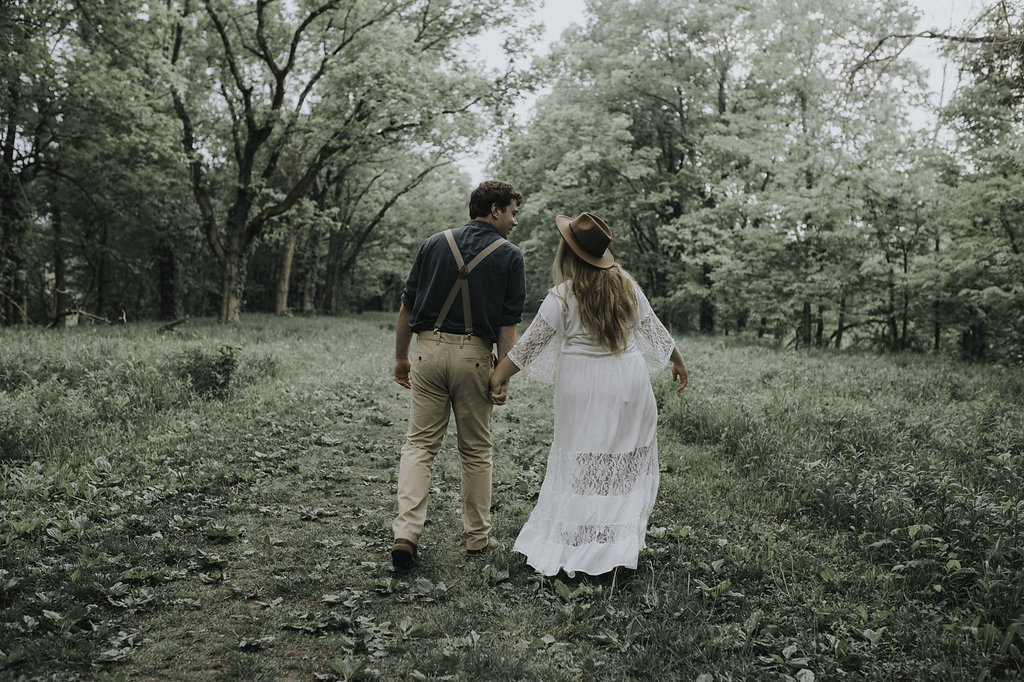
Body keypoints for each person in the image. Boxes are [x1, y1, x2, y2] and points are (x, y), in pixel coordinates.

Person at [488, 211, 687, 577]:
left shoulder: (563, 295)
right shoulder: (627, 285)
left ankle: (581, 540)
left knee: (582, 461)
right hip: (628, 384)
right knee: (619, 465)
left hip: (582, 385)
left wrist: (497, 376)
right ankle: (613, 543)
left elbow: (530, 344)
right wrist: (677, 359)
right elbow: (654, 328)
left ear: (569, 253)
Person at [391, 180, 526, 570]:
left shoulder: (433, 243)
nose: (515, 222)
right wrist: (502, 376)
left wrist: (401, 357)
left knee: (419, 447)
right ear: (495, 209)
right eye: (513, 212)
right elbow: (506, 331)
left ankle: (406, 534)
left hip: (428, 354)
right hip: (474, 357)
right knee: (476, 451)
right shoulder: (511, 256)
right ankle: (478, 538)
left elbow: (406, 309)